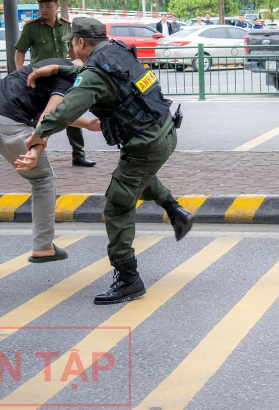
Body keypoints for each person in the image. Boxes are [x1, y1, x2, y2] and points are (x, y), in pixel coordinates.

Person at [25, 17, 193, 305]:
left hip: (145, 143)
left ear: (80, 42)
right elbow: (88, 72)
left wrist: (40, 133)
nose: (71, 51)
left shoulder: (94, 71)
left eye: (72, 45)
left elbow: (69, 107)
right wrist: (55, 68)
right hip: (163, 131)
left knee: (117, 205)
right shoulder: (115, 51)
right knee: (135, 176)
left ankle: (129, 279)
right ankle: (176, 211)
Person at [0, 57, 101, 272]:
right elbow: (49, 115)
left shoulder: (44, 66)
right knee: (42, 179)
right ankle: (43, 246)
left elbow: (50, 110)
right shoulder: (69, 76)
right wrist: (36, 149)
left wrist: (88, 124)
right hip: (7, 123)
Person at [15, 0, 95, 168]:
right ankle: (34, 153)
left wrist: (78, 65)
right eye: (41, 5)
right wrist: (20, 73)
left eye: (48, 5)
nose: (44, 9)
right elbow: (20, 51)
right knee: (39, 117)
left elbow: (72, 51)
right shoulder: (31, 27)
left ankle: (78, 154)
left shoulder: (66, 26)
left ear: (56, 6)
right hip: (40, 78)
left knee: (71, 110)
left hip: (63, 75)